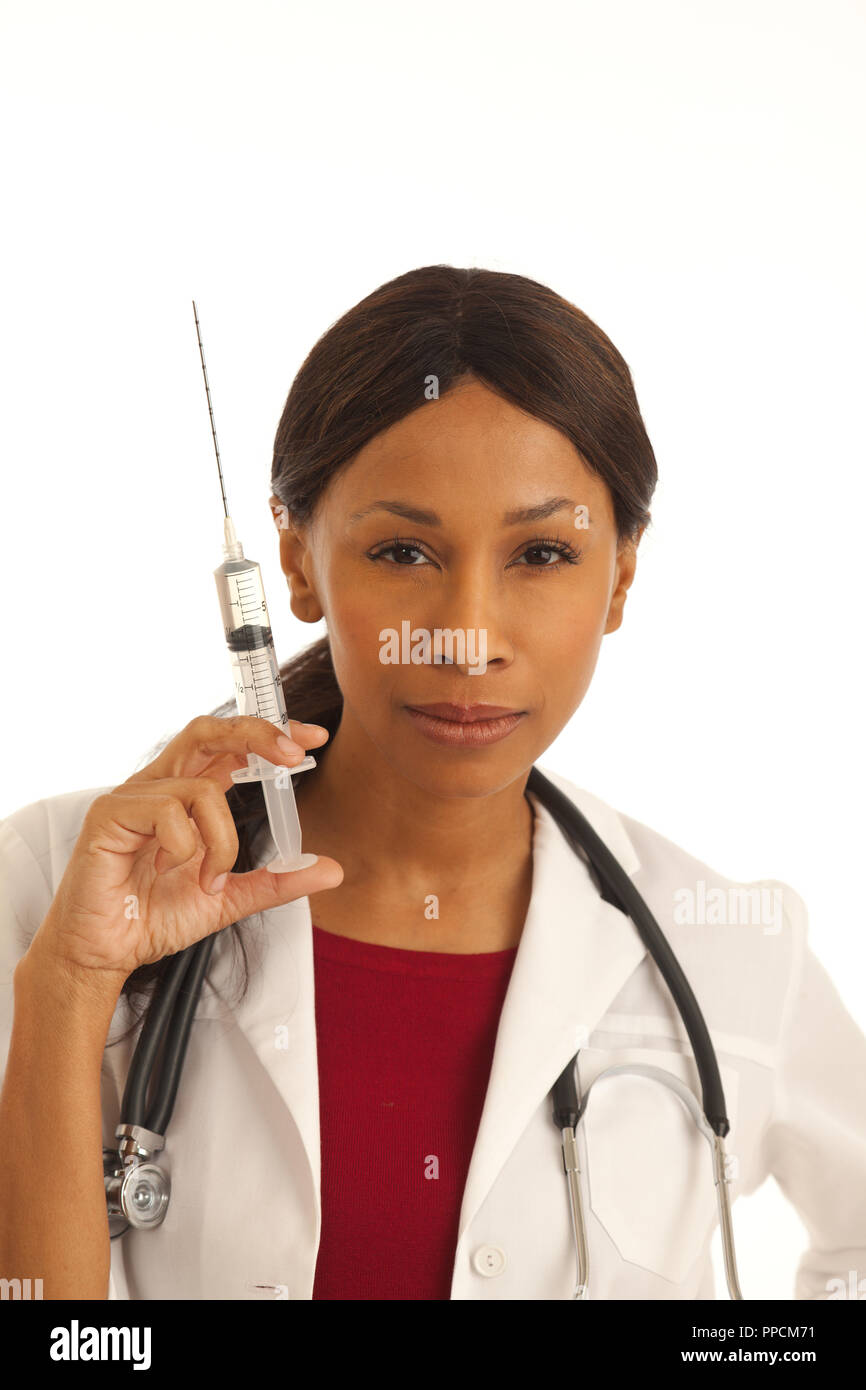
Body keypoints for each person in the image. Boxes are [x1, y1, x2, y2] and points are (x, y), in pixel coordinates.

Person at [1, 265, 865, 1301]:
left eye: (541, 552)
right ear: (298, 561)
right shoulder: (58, 887)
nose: (467, 636)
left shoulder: (729, 947)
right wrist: (66, 989)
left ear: (620, 578)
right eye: (403, 549)